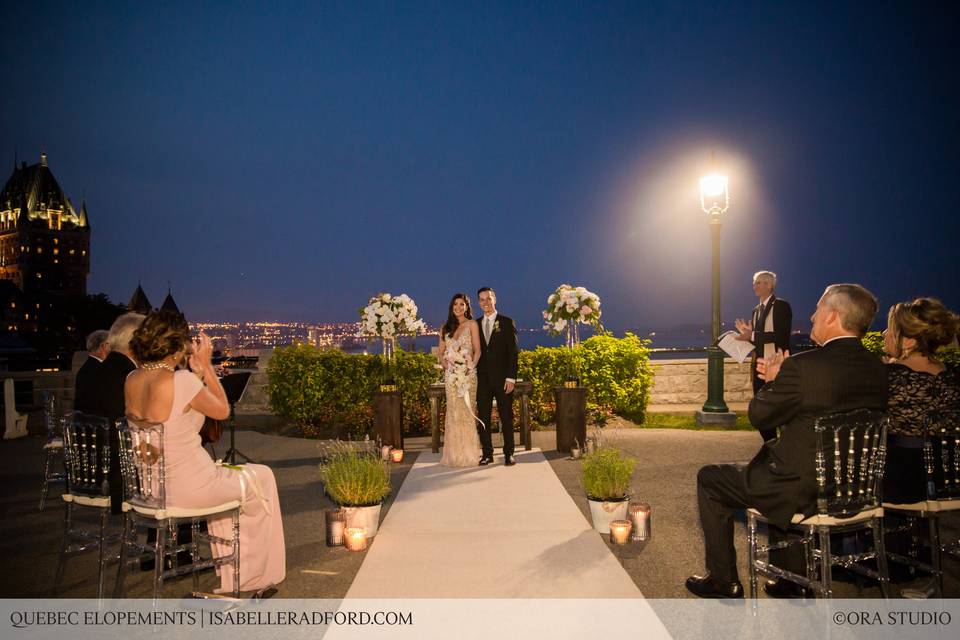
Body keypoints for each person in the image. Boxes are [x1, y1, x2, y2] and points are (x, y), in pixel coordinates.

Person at [686, 284, 887, 599]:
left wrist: (772, 381)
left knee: (711, 478)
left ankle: (724, 579)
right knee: (787, 469)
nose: (812, 316)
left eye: (818, 310)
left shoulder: (804, 367)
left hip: (803, 488)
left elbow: (760, 417)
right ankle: (792, 580)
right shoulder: (878, 369)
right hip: (854, 487)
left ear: (833, 316)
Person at [125, 310, 285, 594]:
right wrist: (208, 368)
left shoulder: (132, 379)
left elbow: (177, 409)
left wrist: (194, 374)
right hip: (193, 488)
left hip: (153, 490)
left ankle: (233, 569)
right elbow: (222, 410)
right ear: (176, 346)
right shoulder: (181, 382)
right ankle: (250, 575)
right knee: (262, 475)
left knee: (233, 482)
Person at [882, 298, 960, 504]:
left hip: (906, 479)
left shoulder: (888, 377)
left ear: (908, 341)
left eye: (890, 329)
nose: (884, 334)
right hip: (951, 473)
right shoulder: (953, 376)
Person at [90, 313, 144, 513]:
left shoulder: (98, 369)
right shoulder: (130, 374)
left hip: (94, 463)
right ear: (134, 342)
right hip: (120, 465)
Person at [734, 271, 792, 442]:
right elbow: (758, 340)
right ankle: (770, 446)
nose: (755, 286)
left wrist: (752, 335)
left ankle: (786, 448)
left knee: (781, 409)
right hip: (759, 367)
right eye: (754, 283)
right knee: (762, 411)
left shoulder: (781, 306)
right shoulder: (755, 311)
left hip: (777, 366)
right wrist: (745, 337)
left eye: (759, 283)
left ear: (769, 285)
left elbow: (781, 336)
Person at [475, 287, 519, 466]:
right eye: (482, 299)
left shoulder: (507, 322)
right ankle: (487, 453)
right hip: (483, 381)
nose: (485, 302)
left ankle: (509, 453)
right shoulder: (475, 324)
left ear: (495, 299)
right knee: (483, 418)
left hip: (503, 380)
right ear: (478, 302)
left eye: (488, 298)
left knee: (506, 417)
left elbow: (513, 353)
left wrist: (511, 378)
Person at [438, 293, 483, 467]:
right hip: (451, 377)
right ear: (451, 307)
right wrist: (445, 365)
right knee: (454, 413)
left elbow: (477, 350)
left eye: (462, 304)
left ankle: (469, 454)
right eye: (455, 304)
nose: (458, 307)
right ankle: (454, 455)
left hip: (468, 375)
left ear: (467, 307)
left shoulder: (472, 324)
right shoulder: (444, 328)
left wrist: (470, 367)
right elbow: (440, 353)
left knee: (467, 412)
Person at [74, 329, 110, 414]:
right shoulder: (99, 370)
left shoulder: (88, 367)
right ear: (104, 346)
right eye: (110, 345)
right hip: (99, 423)